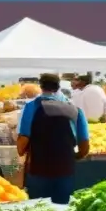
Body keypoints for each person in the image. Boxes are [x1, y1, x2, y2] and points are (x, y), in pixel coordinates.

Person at [16, 73, 90, 202]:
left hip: (38, 170)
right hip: (64, 169)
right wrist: (73, 156)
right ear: (58, 87)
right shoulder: (75, 110)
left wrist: (21, 151)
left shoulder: (31, 107)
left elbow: (23, 139)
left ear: (41, 86)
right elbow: (84, 145)